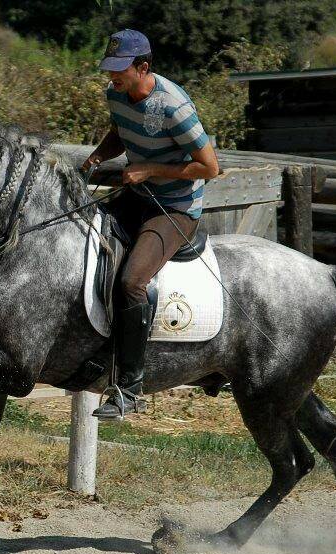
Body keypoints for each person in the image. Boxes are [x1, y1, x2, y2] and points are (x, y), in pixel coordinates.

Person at [83, 29, 219, 420]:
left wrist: (150, 169)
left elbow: (210, 167)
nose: (113, 77)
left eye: (119, 70)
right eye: (110, 70)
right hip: (137, 199)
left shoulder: (175, 107)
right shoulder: (116, 94)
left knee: (131, 282)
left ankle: (129, 390)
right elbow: (120, 133)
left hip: (175, 209)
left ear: (144, 66)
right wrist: (97, 155)